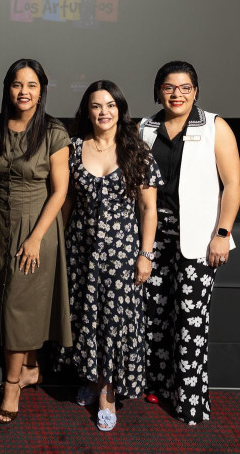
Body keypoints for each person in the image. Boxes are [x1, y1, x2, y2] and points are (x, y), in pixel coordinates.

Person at [139, 60, 240, 425]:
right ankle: (158, 387)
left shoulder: (215, 126)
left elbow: (233, 185)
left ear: (195, 91)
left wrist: (223, 234)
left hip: (200, 240)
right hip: (156, 236)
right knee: (154, 317)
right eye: (169, 87)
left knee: (191, 321)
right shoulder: (145, 128)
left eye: (185, 87)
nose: (177, 94)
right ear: (158, 91)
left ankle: (191, 401)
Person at [60, 80, 161, 431]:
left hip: (122, 253)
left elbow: (149, 209)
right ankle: (90, 379)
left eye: (110, 105)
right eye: (96, 106)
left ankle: (108, 394)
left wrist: (145, 254)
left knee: (116, 322)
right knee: (87, 318)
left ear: (120, 109)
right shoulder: (73, 148)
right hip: (81, 250)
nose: (104, 112)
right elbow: (68, 201)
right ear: (87, 112)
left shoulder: (138, 152)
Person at [0, 58, 71, 424]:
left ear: (42, 89)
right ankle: (30, 368)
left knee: (17, 306)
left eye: (31, 85)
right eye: (17, 84)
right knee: (10, 302)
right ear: (8, 88)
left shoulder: (54, 132)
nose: (24, 92)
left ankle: (11, 386)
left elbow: (60, 192)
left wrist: (35, 238)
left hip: (37, 227)